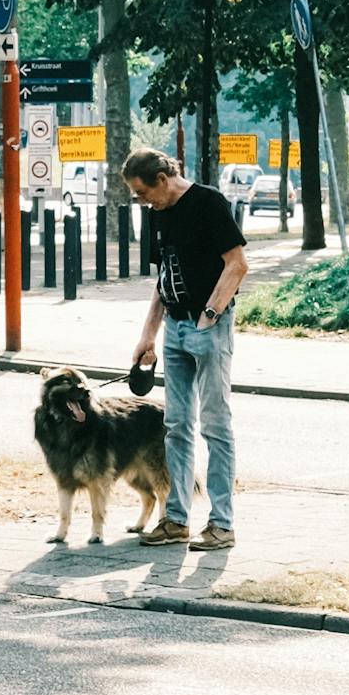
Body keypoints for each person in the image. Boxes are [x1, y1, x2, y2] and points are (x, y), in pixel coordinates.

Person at [124, 148, 249, 552]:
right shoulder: (157, 215)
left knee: (215, 425)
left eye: (143, 193)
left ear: (162, 178)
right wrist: (148, 335)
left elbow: (237, 264)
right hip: (175, 328)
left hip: (208, 325)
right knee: (176, 425)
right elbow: (163, 277)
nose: (143, 202)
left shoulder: (208, 203)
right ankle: (175, 518)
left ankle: (222, 524)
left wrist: (210, 315)